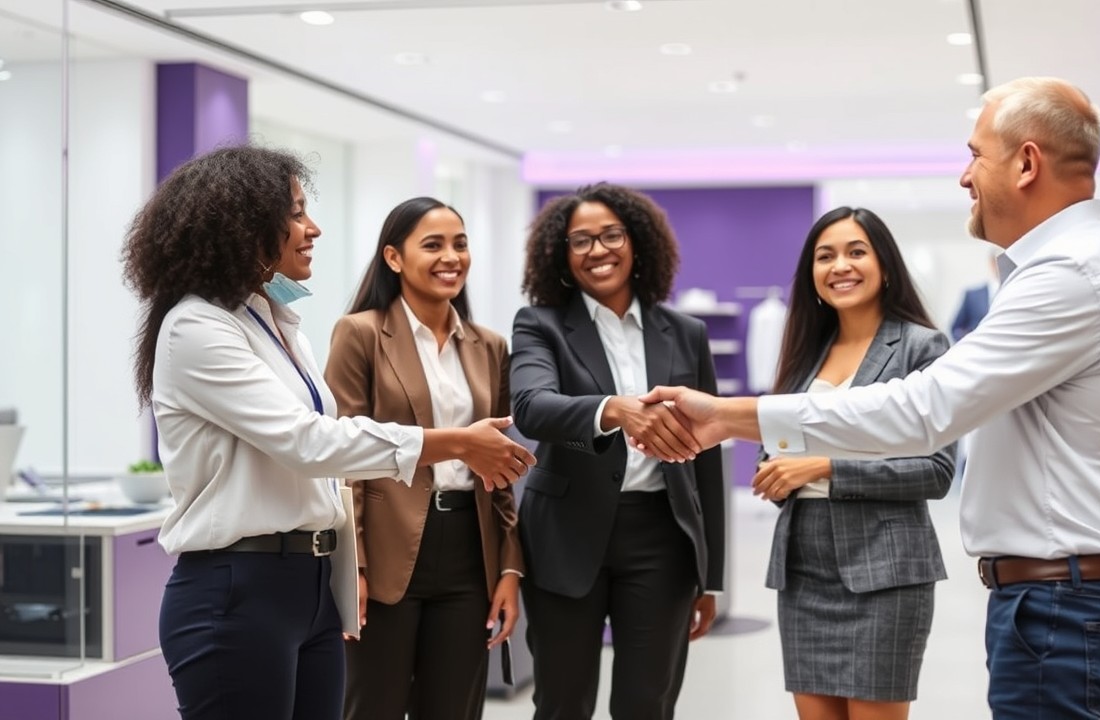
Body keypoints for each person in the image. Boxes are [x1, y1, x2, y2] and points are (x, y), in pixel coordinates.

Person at [638, 77, 1100, 719]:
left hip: (1062, 603)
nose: (964, 177)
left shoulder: (1071, 275)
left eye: (975, 154)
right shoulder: (1063, 270)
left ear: (1026, 163)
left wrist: (727, 416)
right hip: (1050, 601)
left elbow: (924, 412)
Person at [119, 145, 535, 720]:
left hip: (309, 584)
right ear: (242, 224)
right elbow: (311, 442)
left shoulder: (278, 325)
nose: (311, 228)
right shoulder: (196, 326)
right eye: (294, 213)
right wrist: (456, 441)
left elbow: (329, 456)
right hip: (239, 586)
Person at [510, 182, 726, 720]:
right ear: (561, 255)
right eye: (580, 240)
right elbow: (532, 406)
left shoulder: (685, 332)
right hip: (565, 534)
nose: (598, 250)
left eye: (611, 235)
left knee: (646, 703)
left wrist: (711, 576)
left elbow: (708, 459)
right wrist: (614, 409)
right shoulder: (540, 325)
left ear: (637, 242)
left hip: (661, 537)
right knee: (563, 703)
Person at [323, 197, 522, 720]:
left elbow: (497, 469)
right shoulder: (360, 333)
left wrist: (508, 568)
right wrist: (355, 568)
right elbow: (347, 457)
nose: (450, 257)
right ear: (393, 257)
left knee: (454, 709)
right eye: (432, 245)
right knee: (373, 706)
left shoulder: (489, 346)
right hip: (386, 551)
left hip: (468, 553)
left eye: (459, 244)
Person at [756, 206, 954, 720]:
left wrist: (824, 467)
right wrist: (774, 473)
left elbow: (936, 470)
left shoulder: (921, 347)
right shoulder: (804, 353)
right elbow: (772, 449)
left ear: (884, 265)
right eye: (825, 256)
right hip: (803, 569)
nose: (840, 265)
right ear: (812, 275)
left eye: (856, 251)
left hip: (885, 571)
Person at [948, 252, 999, 342]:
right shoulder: (972, 295)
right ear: (991, 263)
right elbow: (956, 328)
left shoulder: (1016, 291)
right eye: (997, 261)